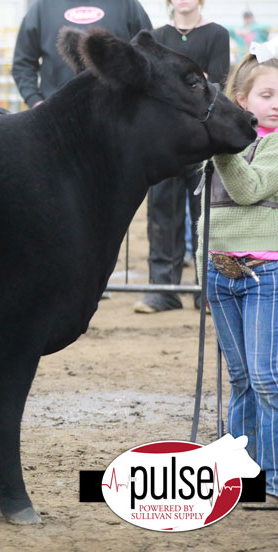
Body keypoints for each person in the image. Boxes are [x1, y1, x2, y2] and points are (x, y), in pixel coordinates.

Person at [197, 38, 278, 506]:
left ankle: (272, 473)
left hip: (266, 274)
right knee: (242, 378)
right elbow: (207, 209)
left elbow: (247, 191)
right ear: (243, 101)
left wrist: (220, 146)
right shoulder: (225, 147)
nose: (275, 105)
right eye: (266, 96)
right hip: (221, 272)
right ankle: (243, 475)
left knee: (268, 377)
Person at [134, 0, 230, 314]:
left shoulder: (216, 34)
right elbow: (151, 86)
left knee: (206, 215)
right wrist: (191, 80)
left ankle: (207, 292)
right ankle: (162, 290)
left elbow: (215, 83)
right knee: (162, 213)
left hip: (202, 141)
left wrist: (181, 84)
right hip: (163, 141)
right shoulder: (156, 37)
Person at [11, 0, 151, 109]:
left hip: (118, 115)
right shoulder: (42, 8)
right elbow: (23, 64)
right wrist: (35, 101)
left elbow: (149, 55)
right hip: (57, 118)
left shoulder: (127, 5)